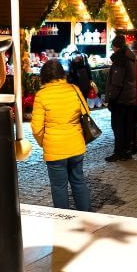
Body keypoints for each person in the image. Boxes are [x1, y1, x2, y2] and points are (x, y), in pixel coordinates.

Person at [31, 59, 91, 211]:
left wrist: (45, 143)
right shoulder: (74, 89)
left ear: (44, 75)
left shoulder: (41, 95)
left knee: (59, 187)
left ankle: (63, 223)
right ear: (62, 74)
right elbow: (86, 114)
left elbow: (37, 128)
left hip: (55, 148)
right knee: (78, 182)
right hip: (76, 145)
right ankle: (87, 217)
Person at [105, 36, 137, 162]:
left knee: (118, 125)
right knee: (127, 125)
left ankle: (119, 152)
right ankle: (127, 151)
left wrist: (112, 99)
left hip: (121, 99)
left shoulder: (120, 59)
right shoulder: (130, 57)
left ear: (115, 46)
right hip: (130, 97)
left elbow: (117, 82)